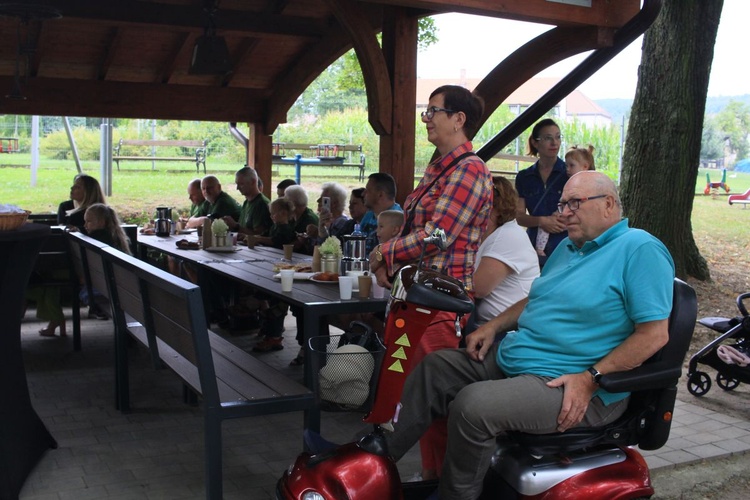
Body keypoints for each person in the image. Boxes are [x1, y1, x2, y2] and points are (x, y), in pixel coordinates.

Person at [384, 171, 675, 499]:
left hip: (573, 383)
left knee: (473, 406)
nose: (564, 213)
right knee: (435, 368)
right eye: (563, 204)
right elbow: (537, 297)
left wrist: (591, 378)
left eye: (574, 204)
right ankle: (376, 461)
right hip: (521, 358)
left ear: (608, 204)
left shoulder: (640, 249)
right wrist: (493, 327)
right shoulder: (570, 246)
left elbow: (654, 335)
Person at [369, 84, 493, 482]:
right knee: (415, 399)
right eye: (426, 111)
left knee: (435, 405)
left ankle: (445, 484)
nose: (427, 118)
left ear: (459, 119)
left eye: (433, 111)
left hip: (439, 308)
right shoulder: (440, 167)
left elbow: (438, 235)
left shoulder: (469, 169)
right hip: (417, 301)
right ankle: (430, 478)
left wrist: (385, 254)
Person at [34, 174, 107, 337]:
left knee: (48, 278)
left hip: (86, 265)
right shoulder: (65, 206)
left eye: (78, 186)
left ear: (88, 191)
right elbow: (61, 235)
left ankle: (55, 320)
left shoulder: (97, 212)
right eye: (73, 185)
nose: (72, 189)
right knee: (46, 277)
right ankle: (55, 319)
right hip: (66, 261)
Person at [472, 176, 539, 325]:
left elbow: (477, 288)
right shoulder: (489, 234)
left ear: (494, 207)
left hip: (507, 331)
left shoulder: (507, 236)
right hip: (488, 326)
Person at [515, 118, 568, 267]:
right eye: (548, 138)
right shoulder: (524, 177)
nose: (554, 143)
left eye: (558, 137)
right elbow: (519, 217)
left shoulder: (570, 174)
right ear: (535, 142)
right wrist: (542, 221)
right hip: (532, 248)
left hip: (565, 246)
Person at [222, 167, 272, 240]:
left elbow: (259, 235)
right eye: (237, 184)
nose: (237, 188)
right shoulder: (247, 202)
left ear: (253, 182)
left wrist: (236, 226)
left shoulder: (261, 204)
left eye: (241, 184)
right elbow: (243, 228)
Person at [359, 173, 402, 254]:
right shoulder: (369, 215)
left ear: (380, 194)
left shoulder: (397, 219)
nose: (363, 194)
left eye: (367, 190)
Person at [304, 182, 350, 251]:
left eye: (324, 200)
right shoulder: (326, 219)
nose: (319, 201)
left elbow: (331, 249)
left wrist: (319, 233)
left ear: (334, 203)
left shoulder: (342, 222)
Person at [285, 184, 319, 255]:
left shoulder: (309, 219)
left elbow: (296, 245)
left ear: (292, 203)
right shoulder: (293, 216)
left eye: (285, 200)